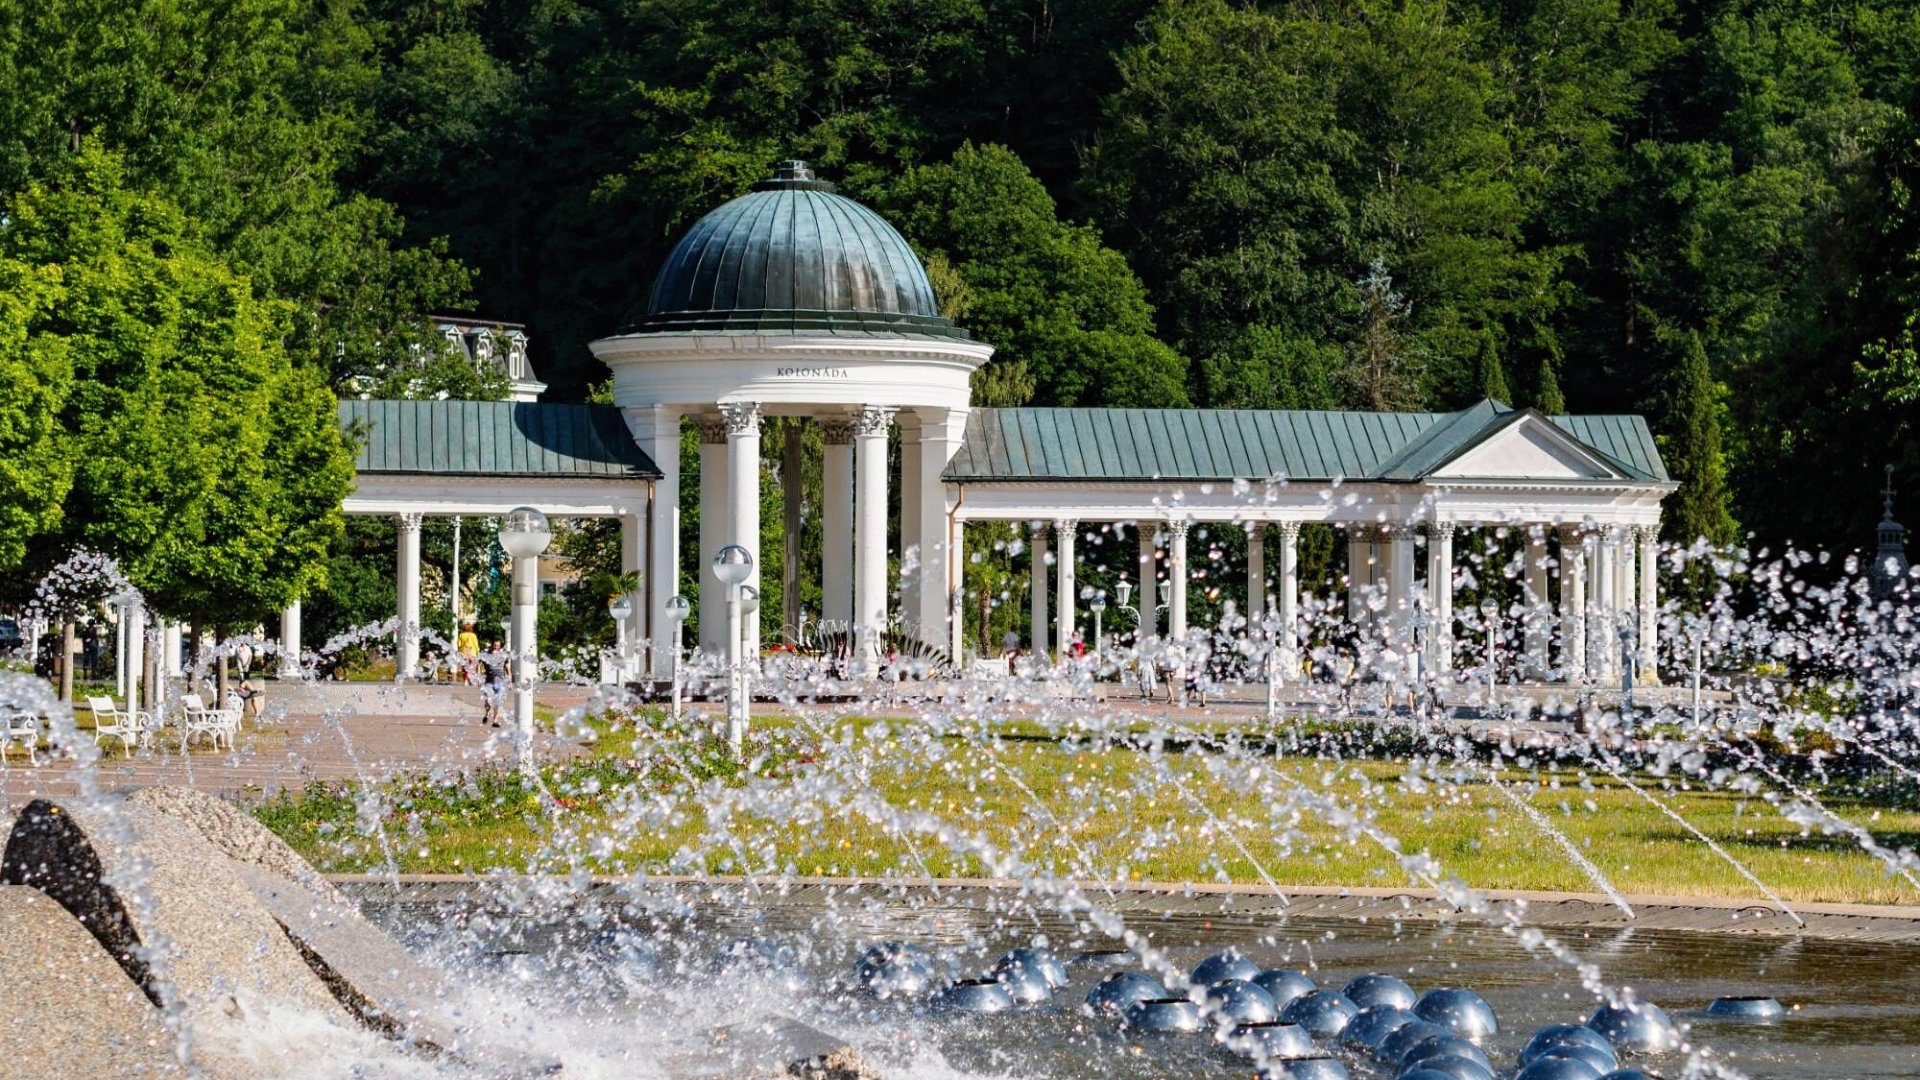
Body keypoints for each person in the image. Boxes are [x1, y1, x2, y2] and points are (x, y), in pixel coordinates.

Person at [478, 640, 511, 727]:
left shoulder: (503, 656)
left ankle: (495, 721)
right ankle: (488, 712)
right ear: (491, 645)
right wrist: (478, 677)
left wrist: (510, 681)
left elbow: (508, 669)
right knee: (487, 701)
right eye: (495, 645)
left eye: (498, 646)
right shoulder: (487, 655)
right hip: (489, 682)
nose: (496, 647)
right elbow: (479, 664)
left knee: (497, 703)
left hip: (500, 683)